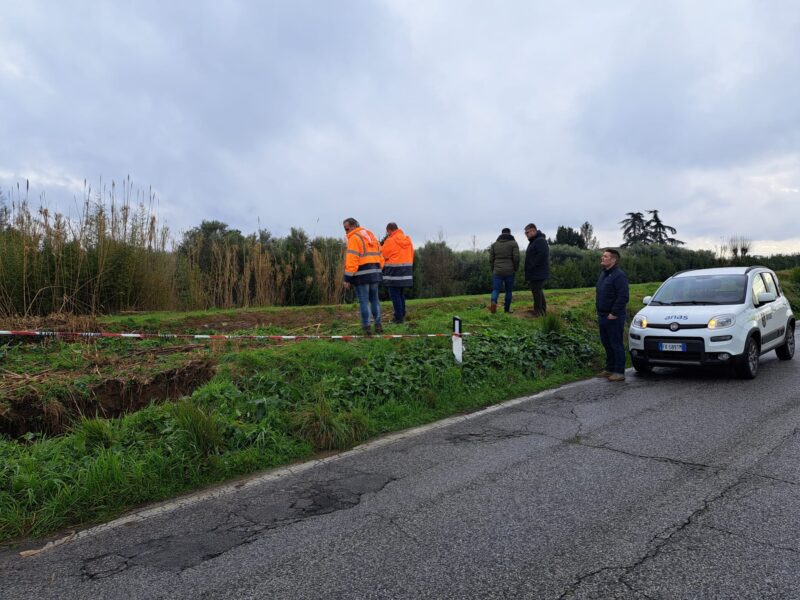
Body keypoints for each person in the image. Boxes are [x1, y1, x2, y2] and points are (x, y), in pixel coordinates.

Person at [342, 218, 383, 335]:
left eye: (347, 229)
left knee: (364, 302)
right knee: (375, 300)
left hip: (361, 276)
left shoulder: (354, 238)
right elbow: (381, 256)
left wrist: (347, 278)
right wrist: (378, 269)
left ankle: (367, 328)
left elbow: (352, 261)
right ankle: (378, 325)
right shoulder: (371, 236)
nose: (346, 232)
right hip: (375, 273)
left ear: (354, 226)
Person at [596, 248, 630, 382]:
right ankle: (609, 368)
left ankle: (619, 371)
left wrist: (614, 313)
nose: (602, 258)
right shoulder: (604, 274)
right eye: (603, 256)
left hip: (614, 316)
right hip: (602, 315)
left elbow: (623, 296)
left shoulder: (619, 275)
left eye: (605, 256)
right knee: (606, 343)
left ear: (613, 260)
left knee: (616, 344)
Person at [381, 222, 414, 324]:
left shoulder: (390, 241)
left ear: (389, 230)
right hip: (406, 273)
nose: (388, 234)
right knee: (400, 294)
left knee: (395, 295)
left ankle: (398, 318)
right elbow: (412, 255)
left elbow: (383, 255)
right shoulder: (407, 240)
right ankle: (402, 314)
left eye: (388, 232)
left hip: (393, 273)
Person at [488, 227, 520, 313]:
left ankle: (493, 302)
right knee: (508, 291)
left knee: (495, 290)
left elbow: (491, 259)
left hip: (497, 271)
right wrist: (515, 268)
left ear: (501, 234)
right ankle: (506, 310)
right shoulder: (513, 243)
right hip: (510, 271)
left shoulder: (494, 244)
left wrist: (493, 269)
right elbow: (516, 258)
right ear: (510, 233)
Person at [523, 223, 550, 316]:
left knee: (536, 291)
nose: (526, 234)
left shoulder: (540, 241)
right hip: (535, 272)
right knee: (537, 290)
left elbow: (542, 255)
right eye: (525, 233)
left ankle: (538, 312)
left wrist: (533, 265)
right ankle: (541, 311)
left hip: (538, 272)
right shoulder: (534, 241)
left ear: (534, 230)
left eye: (528, 232)